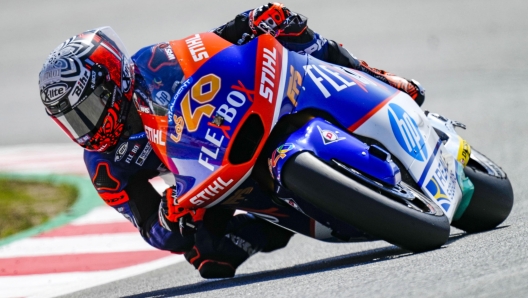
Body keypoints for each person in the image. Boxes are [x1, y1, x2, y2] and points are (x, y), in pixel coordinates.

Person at [38, 3, 425, 278]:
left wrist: (253, 21)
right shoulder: (105, 165)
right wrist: (169, 217)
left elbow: (216, 42)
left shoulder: (153, 63)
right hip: (207, 175)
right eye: (70, 120)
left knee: (283, 23)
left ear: (113, 79)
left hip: (237, 116)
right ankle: (275, 224)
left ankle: (372, 75)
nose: (83, 127)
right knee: (208, 257)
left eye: (85, 108)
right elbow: (151, 230)